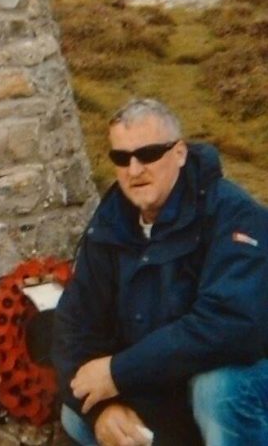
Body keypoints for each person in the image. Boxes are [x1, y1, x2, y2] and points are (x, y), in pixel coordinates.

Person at [52, 98, 268, 446]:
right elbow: (72, 328)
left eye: (148, 154)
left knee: (217, 392)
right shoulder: (110, 223)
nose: (134, 170)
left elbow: (231, 326)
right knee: (80, 416)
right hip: (167, 384)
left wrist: (118, 373)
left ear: (179, 153)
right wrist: (102, 411)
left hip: (242, 380)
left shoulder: (235, 214)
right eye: (121, 158)